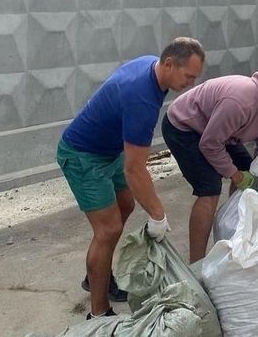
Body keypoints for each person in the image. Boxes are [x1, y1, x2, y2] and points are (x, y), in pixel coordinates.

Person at [56, 37, 205, 320]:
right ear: (170, 64)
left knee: (125, 205)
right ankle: (99, 313)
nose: (191, 83)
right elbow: (135, 169)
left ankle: (97, 276)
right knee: (108, 229)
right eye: (188, 76)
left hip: (108, 150)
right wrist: (159, 214)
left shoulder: (152, 66)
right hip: (82, 156)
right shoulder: (142, 98)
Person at [161, 70, 258, 262]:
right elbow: (209, 144)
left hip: (220, 130)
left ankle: (234, 233)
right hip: (184, 127)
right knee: (210, 188)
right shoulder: (241, 103)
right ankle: (197, 264)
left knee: (249, 173)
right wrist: (235, 175)